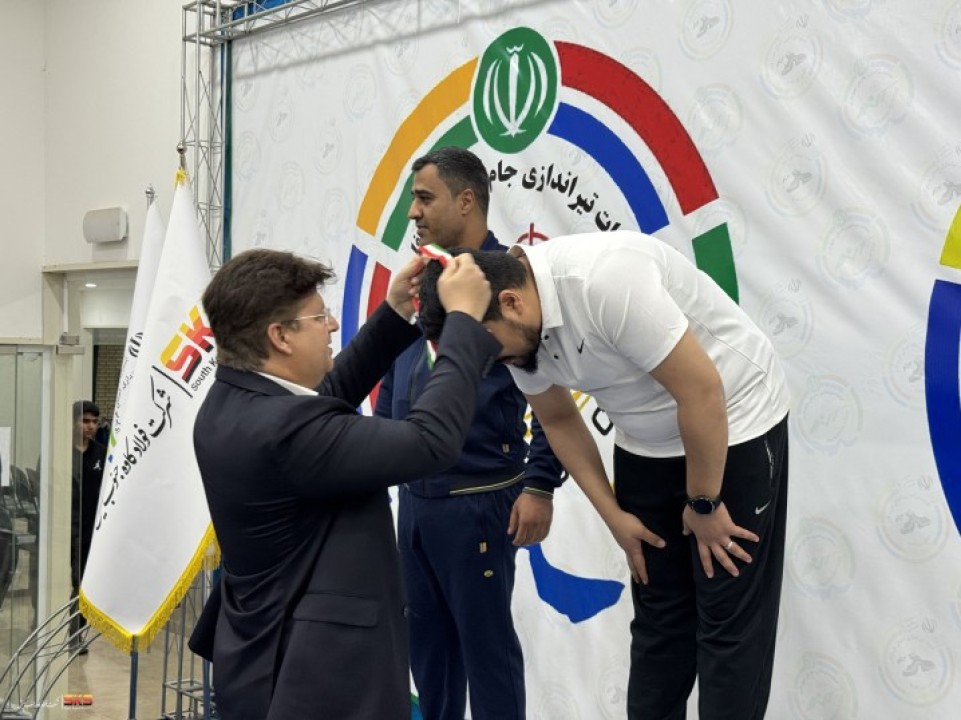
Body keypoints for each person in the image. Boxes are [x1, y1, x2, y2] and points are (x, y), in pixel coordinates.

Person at [417, 231, 791, 720]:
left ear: (511, 303)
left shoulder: (604, 280)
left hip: (734, 416)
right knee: (659, 618)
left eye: (493, 352)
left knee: (727, 620)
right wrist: (614, 516)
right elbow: (558, 420)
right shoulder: (509, 328)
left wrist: (704, 502)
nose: (496, 365)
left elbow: (702, 391)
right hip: (646, 440)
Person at [189, 247, 500, 720]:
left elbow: (323, 400)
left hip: (264, 658)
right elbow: (429, 442)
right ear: (280, 336)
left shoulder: (232, 400)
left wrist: (394, 312)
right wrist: (463, 322)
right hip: (314, 679)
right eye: (319, 317)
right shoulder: (281, 431)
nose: (332, 325)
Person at [374, 147, 563, 720]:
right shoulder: (422, 277)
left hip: (479, 501)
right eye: (412, 199)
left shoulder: (510, 282)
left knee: (488, 657)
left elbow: (554, 391)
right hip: (415, 502)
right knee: (428, 658)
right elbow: (394, 378)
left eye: (424, 198)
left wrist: (540, 484)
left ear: (466, 200)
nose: (412, 212)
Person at [70, 400, 106, 650]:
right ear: (74, 422)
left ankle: (76, 634)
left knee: (82, 583)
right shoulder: (59, 452)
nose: (90, 426)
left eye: (94, 422)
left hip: (90, 530)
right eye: (84, 421)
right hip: (64, 529)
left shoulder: (102, 454)